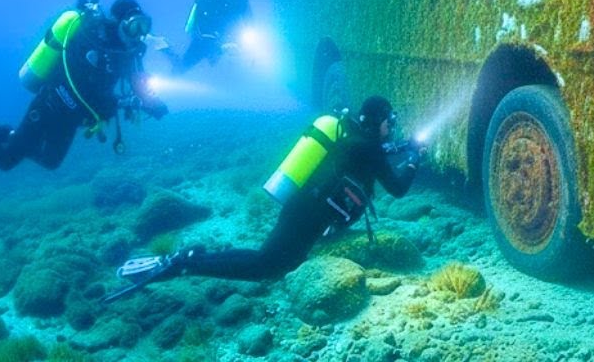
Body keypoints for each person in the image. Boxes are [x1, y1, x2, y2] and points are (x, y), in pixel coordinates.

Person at [108, 96, 420, 299]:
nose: (390, 127)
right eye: (388, 121)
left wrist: (399, 148)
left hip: (303, 207)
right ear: (377, 121)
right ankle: (185, 263)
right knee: (265, 265)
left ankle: (189, 261)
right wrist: (415, 159)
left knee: (273, 263)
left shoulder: (353, 138)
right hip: (308, 215)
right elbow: (398, 188)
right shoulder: (368, 148)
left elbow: (366, 158)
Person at [0, 0, 169, 171]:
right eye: (134, 25)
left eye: (145, 25)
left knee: (50, 162)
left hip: (72, 117)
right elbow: (84, 91)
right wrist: (125, 102)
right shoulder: (92, 42)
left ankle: (10, 135)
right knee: (7, 161)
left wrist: (150, 102)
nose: (140, 33)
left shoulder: (129, 52)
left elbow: (137, 81)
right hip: (50, 105)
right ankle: (8, 136)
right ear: (120, 23)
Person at [173, 0, 252, 74]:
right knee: (182, 68)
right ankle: (165, 49)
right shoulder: (210, 0)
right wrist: (219, 46)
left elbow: (249, 19)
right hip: (204, 39)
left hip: (227, 37)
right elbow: (202, 27)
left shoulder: (240, 0)